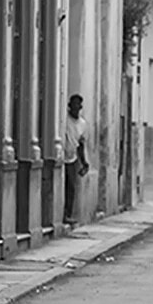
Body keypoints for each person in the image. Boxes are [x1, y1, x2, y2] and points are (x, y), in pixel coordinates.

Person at [62, 94, 89, 226]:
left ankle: (68, 214)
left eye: (78, 106)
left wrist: (84, 162)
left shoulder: (82, 124)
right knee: (64, 186)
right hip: (62, 157)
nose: (75, 108)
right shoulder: (64, 119)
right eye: (73, 105)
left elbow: (81, 144)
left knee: (71, 187)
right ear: (69, 106)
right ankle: (63, 214)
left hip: (72, 159)